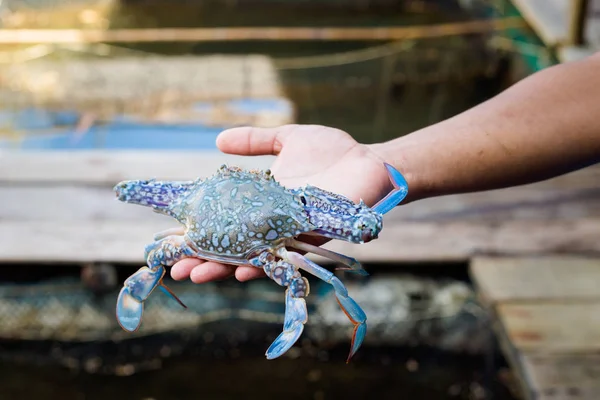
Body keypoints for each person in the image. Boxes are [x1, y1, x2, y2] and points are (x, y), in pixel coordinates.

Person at [171, 51, 600, 284]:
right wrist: (377, 163)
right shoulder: (296, 210)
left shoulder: (174, 232)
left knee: (161, 256)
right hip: (275, 246)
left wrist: (376, 162)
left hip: (202, 240)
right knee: (317, 279)